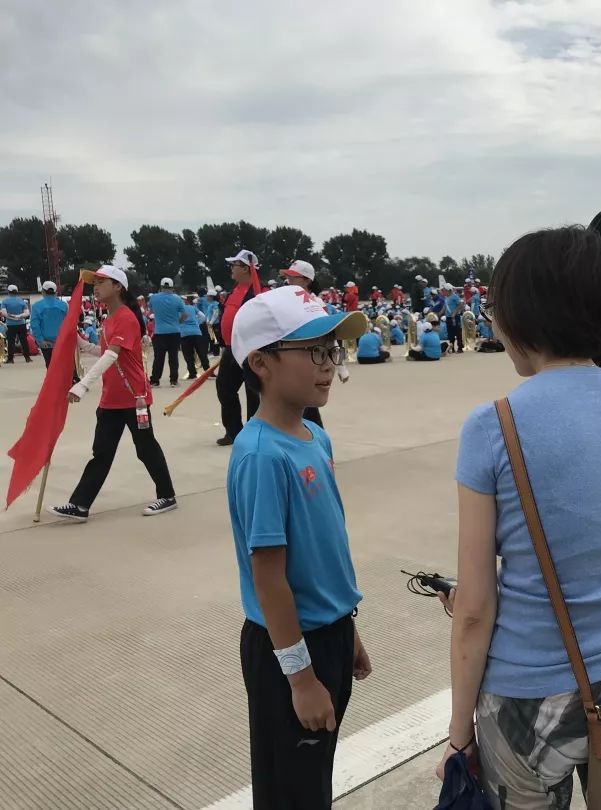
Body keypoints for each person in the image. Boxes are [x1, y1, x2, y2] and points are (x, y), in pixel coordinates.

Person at [436, 225, 601, 808]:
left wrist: (459, 732)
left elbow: (474, 609)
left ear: (520, 319)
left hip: (526, 693)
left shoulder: (492, 425)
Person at [226, 285, 372, 810]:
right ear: (261, 362)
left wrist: (346, 626)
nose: (328, 363)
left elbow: (325, 547)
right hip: (288, 650)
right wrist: (302, 677)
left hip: (327, 633)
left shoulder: (314, 435)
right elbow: (268, 575)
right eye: (312, 350)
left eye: (332, 348)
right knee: (290, 792)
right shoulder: (262, 455)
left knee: (314, 778)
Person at [48, 266, 177, 522]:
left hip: (134, 398)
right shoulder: (109, 319)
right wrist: (81, 343)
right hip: (111, 399)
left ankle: (167, 495)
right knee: (102, 452)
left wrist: (83, 384)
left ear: (118, 286)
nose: (95, 287)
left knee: (145, 447)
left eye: (101, 282)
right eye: (94, 283)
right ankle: (80, 505)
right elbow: (104, 351)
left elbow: (112, 355)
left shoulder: (126, 318)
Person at [282, 260, 351, 427]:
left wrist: (340, 366)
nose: (288, 281)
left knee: (307, 407)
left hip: (312, 359)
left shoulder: (317, 305)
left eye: (293, 277)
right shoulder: (284, 301)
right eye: (288, 277)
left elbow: (330, 337)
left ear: (307, 280)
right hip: (290, 359)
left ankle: (318, 444)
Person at [216, 249, 264, 446]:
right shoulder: (234, 290)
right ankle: (234, 431)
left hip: (250, 349)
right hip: (231, 349)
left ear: (245, 268)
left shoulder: (257, 293)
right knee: (224, 388)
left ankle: (254, 431)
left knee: (253, 392)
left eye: (234, 265)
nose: (231, 269)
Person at [148, 277, 186, 387]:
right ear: (172, 287)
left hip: (159, 332)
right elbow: (184, 315)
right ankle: (173, 380)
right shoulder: (178, 299)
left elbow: (151, 310)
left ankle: (155, 380)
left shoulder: (154, 298)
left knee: (158, 357)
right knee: (173, 357)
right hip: (174, 331)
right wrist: (177, 322)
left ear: (161, 287)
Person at [30, 281, 68, 367]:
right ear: (55, 292)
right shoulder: (64, 305)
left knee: (50, 366)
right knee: (64, 366)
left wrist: (40, 340)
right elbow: (68, 323)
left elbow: (34, 325)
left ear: (43, 292)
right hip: (62, 341)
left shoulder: (36, 306)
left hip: (46, 343)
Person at [180, 294, 210, 380]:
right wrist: (197, 323)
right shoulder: (193, 307)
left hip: (184, 333)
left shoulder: (178, 310)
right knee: (201, 353)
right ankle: (208, 371)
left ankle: (192, 373)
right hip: (196, 332)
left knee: (188, 355)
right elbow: (203, 316)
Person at [2, 284, 32, 362]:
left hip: (10, 324)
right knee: (24, 341)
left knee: (11, 341)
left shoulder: (5, 301)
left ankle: (10, 358)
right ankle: (27, 357)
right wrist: (19, 316)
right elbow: (27, 313)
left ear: (8, 292)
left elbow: (4, 313)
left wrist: (12, 317)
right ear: (17, 292)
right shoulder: (21, 301)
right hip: (21, 323)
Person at [442, 284, 465, 353]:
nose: (443, 291)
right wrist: (439, 314)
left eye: (444, 290)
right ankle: (452, 347)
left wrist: (455, 312)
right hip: (448, 317)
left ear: (448, 290)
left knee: (457, 332)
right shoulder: (446, 297)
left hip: (455, 317)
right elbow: (444, 307)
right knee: (450, 333)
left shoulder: (455, 296)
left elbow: (461, 305)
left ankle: (460, 347)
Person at [206, 290, 222, 357]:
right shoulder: (210, 304)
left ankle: (216, 353)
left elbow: (215, 314)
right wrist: (207, 321)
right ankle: (213, 352)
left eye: (208, 296)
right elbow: (209, 314)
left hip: (214, 324)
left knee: (215, 338)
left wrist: (211, 322)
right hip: (210, 324)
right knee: (211, 338)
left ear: (212, 296)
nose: (207, 297)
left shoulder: (215, 304)